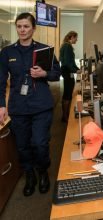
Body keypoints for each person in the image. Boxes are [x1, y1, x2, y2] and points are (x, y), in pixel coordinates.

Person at [0, 13, 61, 196]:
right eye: (19, 26)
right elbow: (1, 80)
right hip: (18, 107)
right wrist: (1, 105)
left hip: (41, 105)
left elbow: (57, 73)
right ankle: (29, 175)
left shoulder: (44, 50)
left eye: (26, 26)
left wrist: (44, 74)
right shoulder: (7, 52)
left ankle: (42, 172)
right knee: (23, 146)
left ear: (33, 28)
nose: (22, 30)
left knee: (40, 143)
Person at [60, 31, 81, 122]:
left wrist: (77, 69)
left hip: (67, 71)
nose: (77, 39)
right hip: (67, 71)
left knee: (68, 93)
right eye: (76, 37)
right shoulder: (67, 46)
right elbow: (68, 63)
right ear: (72, 37)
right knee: (67, 94)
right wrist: (76, 70)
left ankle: (66, 114)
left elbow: (71, 62)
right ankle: (65, 116)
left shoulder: (66, 45)